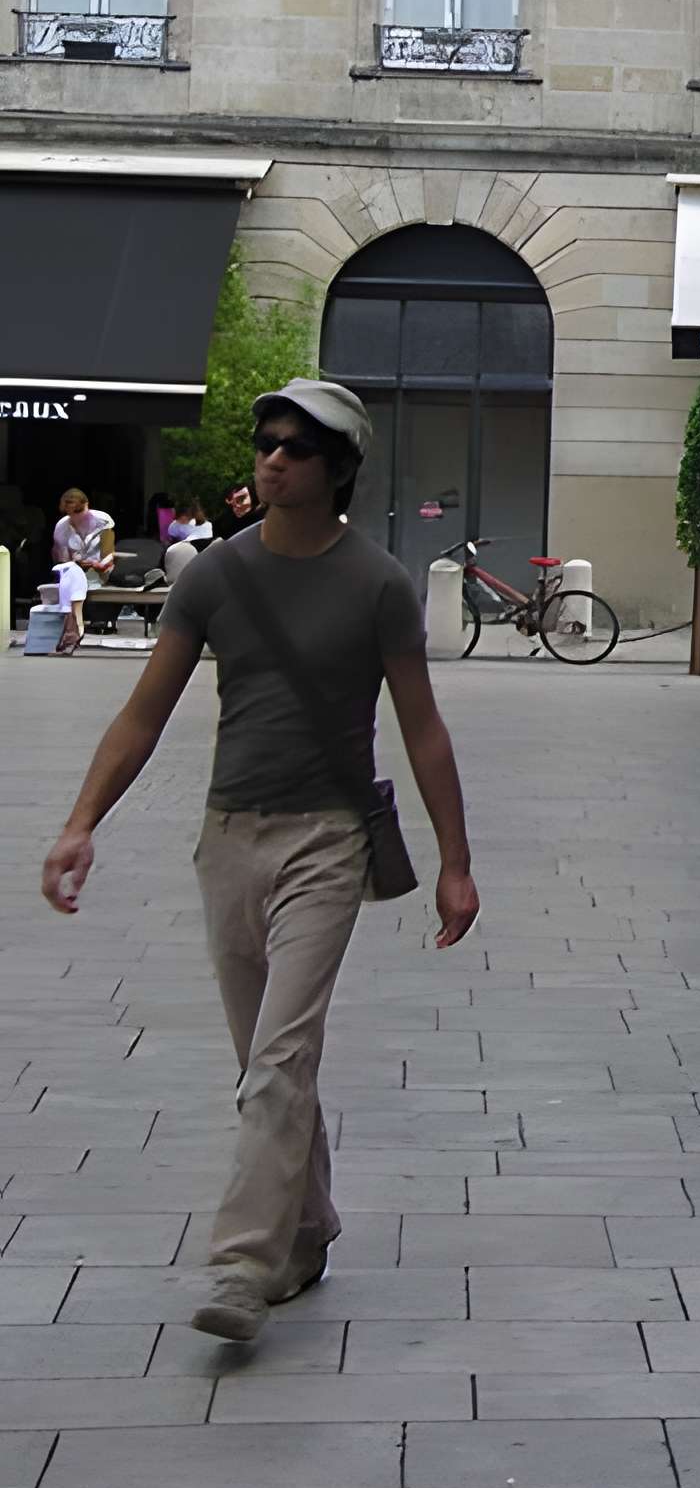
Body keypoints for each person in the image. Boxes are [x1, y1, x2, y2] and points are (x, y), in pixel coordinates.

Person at [39, 379, 478, 1346]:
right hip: (228, 839)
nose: (270, 458)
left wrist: (456, 860)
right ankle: (308, 1227)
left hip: (328, 840)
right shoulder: (212, 577)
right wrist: (80, 823)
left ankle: (242, 1266)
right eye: (265, 442)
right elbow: (143, 713)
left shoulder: (378, 586)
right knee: (264, 1063)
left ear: (337, 471)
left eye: (294, 447)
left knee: (280, 1059)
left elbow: (424, 730)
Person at [50, 489, 115, 653]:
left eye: (79, 511)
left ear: (87, 505)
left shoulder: (103, 520)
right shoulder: (61, 528)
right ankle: (76, 628)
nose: (76, 516)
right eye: (71, 513)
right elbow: (63, 561)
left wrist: (98, 564)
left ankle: (73, 629)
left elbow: (109, 554)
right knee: (72, 573)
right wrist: (78, 563)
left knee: (72, 578)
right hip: (76, 571)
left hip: (100, 571)